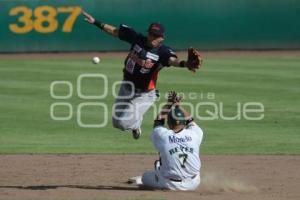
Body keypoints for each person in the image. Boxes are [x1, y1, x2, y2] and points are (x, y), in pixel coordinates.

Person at [82, 10, 203, 139]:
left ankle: (138, 118)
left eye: (156, 35)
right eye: (151, 34)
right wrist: (96, 22)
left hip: (145, 93)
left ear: (162, 37)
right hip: (126, 86)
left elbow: (173, 61)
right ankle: (136, 124)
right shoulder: (137, 39)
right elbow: (116, 32)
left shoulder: (162, 51)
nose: (152, 37)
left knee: (123, 123)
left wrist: (185, 64)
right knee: (116, 123)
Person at [129, 91, 204, 190]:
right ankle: (161, 169)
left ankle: (159, 169)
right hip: (194, 183)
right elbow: (190, 120)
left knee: (145, 177)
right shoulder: (194, 133)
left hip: (169, 184)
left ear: (168, 123)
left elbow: (158, 121)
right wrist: (178, 106)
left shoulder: (163, 135)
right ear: (183, 121)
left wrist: (169, 104)